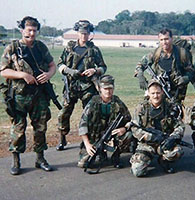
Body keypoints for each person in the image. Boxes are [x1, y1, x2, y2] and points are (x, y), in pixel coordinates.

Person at [0, 16, 56, 175]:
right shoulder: (12, 48)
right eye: (29, 30)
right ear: (22, 30)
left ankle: (40, 158)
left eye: (34, 30)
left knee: (40, 128)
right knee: (18, 128)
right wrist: (22, 75)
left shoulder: (40, 47)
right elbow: (3, 70)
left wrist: (48, 75)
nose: (31, 33)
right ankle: (16, 160)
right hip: (19, 96)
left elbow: (52, 65)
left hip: (39, 95)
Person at [57, 20, 107, 151]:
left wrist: (94, 71)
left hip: (88, 86)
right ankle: (62, 137)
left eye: (86, 33)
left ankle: (87, 139)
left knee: (89, 113)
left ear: (90, 34)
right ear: (77, 33)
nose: (84, 36)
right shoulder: (69, 48)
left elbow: (103, 67)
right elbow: (59, 65)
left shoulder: (94, 50)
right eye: (81, 33)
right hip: (71, 85)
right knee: (64, 113)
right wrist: (69, 71)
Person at [129, 79, 185, 177]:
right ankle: (143, 160)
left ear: (162, 92)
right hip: (147, 144)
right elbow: (134, 128)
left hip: (164, 143)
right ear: (148, 93)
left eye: (158, 93)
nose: (156, 96)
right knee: (138, 171)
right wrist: (149, 137)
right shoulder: (141, 108)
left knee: (177, 152)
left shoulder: (170, 107)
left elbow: (180, 126)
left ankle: (163, 160)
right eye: (153, 93)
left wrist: (173, 137)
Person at [78, 75, 135, 169]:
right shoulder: (93, 103)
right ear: (100, 89)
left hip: (112, 137)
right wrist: (87, 144)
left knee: (128, 135)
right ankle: (101, 154)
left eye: (110, 88)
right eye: (105, 88)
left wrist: (124, 128)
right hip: (95, 138)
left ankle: (116, 156)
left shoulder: (118, 103)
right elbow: (82, 124)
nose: (108, 91)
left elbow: (129, 120)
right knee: (84, 163)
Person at [134, 28, 194, 104]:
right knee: (149, 107)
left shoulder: (182, 53)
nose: (164, 42)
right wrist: (140, 75)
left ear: (171, 39)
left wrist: (185, 78)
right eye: (161, 40)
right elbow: (140, 64)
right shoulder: (156, 53)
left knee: (174, 111)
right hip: (158, 88)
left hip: (176, 91)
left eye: (166, 39)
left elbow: (191, 70)